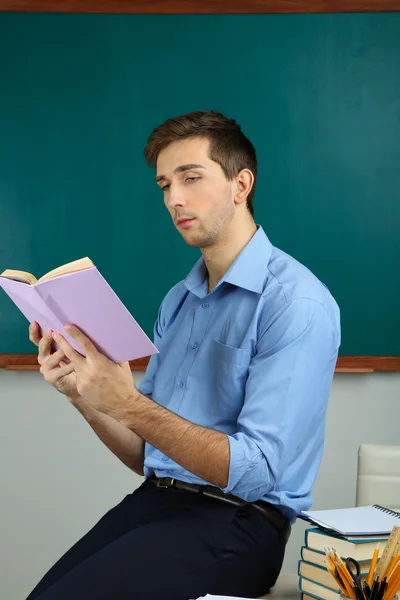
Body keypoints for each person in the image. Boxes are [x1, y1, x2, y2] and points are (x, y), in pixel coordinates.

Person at [26, 110, 340, 600]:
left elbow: (256, 474)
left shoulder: (296, 303)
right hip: (157, 503)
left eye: (191, 178)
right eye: (164, 184)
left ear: (241, 185)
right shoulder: (178, 300)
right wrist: (83, 394)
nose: (174, 198)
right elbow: (147, 452)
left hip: (239, 523)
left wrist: (128, 402)